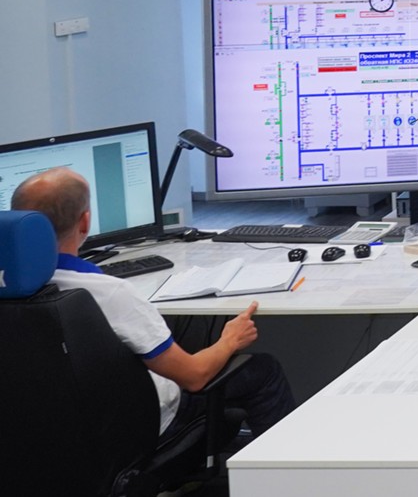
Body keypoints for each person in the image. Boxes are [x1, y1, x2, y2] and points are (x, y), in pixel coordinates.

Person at [11, 166, 297, 440]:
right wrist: (230, 340)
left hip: (40, 437)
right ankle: (283, 472)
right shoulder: (110, 293)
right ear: (85, 222)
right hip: (137, 428)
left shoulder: (11, 287)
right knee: (263, 370)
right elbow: (194, 377)